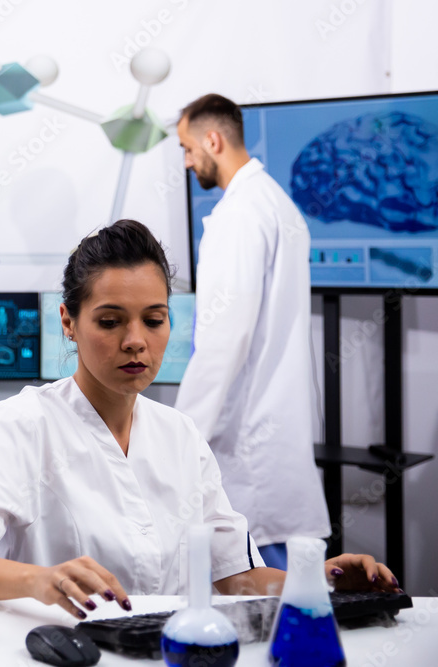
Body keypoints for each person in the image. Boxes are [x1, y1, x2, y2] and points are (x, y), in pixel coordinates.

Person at [0, 219, 399, 619]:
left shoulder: (180, 435)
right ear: (68, 322)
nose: (135, 341)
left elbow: (236, 575)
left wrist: (321, 581)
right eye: (110, 321)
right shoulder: (19, 425)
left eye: (153, 319)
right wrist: (39, 580)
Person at [173, 94, 330, 569]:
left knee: (258, 589)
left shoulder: (240, 215)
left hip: (250, 446)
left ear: (212, 140)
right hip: (274, 433)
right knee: (287, 586)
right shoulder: (276, 203)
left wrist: (177, 439)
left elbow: (224, 341)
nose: (187, 163)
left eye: (187, 149)